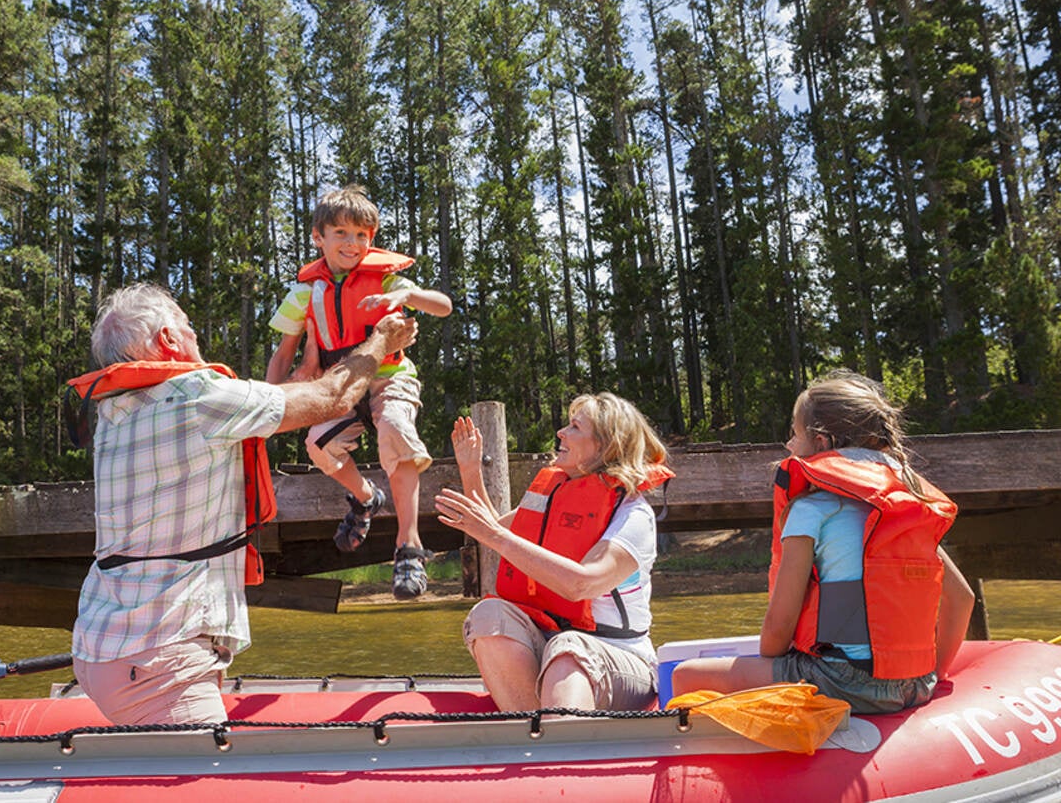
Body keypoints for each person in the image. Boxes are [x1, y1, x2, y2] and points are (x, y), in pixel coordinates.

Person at [68, 283, 416, 726]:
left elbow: (282, 397)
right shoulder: (196, 397)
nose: (196, 337)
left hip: (101, 645)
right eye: (189, 328)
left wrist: (308, 358)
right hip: (158, 661)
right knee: (199, 787)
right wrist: (384, 340)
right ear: (169, 341)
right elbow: (334, 398)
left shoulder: (112, 413)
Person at [671, 370, 977, 714]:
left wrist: (773, 673)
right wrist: (934, 674)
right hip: (916, 685)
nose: (789, 445)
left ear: (821, 442)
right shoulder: (907, 508)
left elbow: (779, 624)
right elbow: (963, 599)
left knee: (686, 676)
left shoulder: (811, 510)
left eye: (794, 433)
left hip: (842, 679)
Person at [266, 184, 452, 600]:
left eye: (362, 236)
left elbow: (443, 306)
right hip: (343, 385)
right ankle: (366, 498)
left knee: (396, 429)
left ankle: (409, 545)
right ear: (319, 237)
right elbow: (283, 356)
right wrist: (269, 401)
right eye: (342, 234)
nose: (353, 244)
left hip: (390, 378)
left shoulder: (386, 279)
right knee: (317, 444)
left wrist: (409, 294)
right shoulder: (303, 292)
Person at [434, 393, 674, 712]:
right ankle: (530, 728)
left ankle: (556, 747)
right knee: (488, 616)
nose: (561, 432)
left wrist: (493, 534)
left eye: (574, 427)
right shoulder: (553, 495)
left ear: (605, 446)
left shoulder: (633, 516)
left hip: (620, 660)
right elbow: (492, 528)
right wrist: (470, 468)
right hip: (553, 645)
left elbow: (581, 585)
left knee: (567, 649)